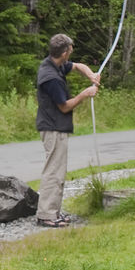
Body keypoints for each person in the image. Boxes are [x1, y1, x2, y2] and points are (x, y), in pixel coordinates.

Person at [35, 33, 100, 226]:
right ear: (64, 52)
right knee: (53, 171)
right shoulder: (51, 77)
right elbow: (64, 106)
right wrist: (85, 94)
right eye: (70, 50)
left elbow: (78, 66)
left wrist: (91, 75)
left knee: (58, 170)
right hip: (53, 127)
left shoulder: (54, 63)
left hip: (56, 126)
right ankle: (46, 215)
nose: (71, 53)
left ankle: (52, 212)